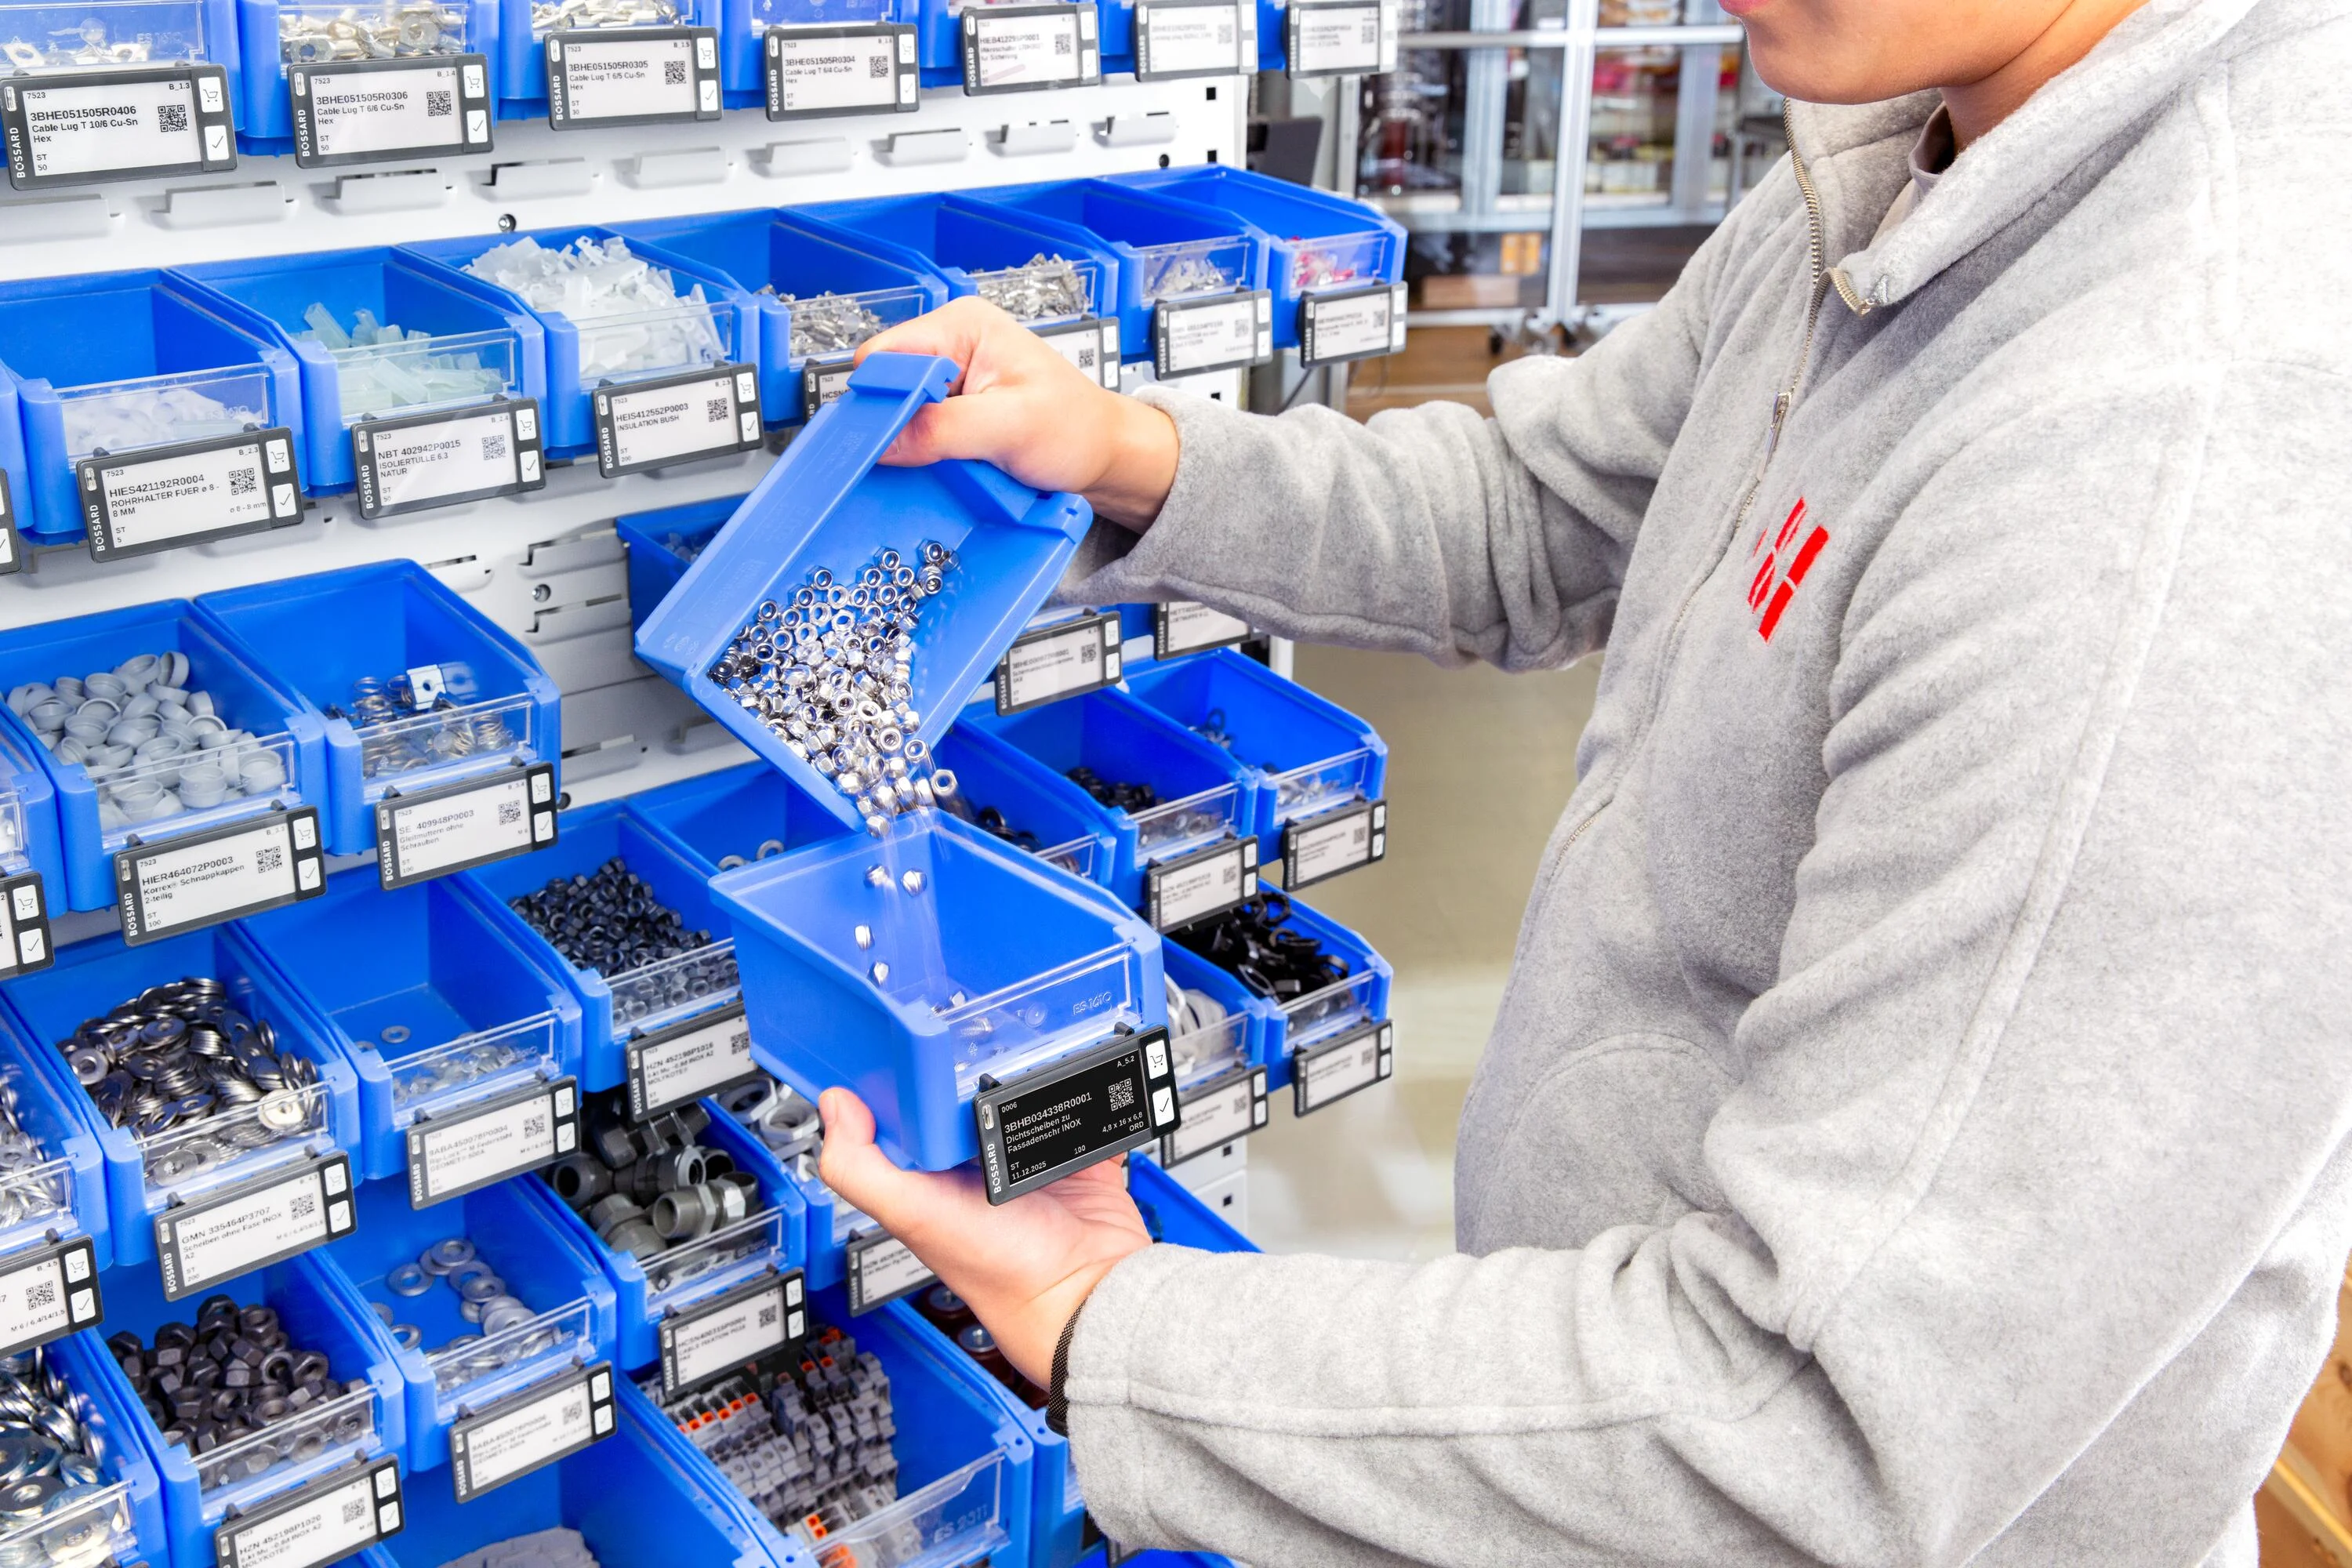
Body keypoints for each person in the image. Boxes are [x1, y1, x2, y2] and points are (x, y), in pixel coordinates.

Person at [820, 0, 2352, 1559]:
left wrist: (1114, 1333)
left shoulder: (2179, 465)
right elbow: (1543, 502)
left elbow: (1812, 1425)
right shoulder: (1923, 142)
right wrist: (1129, 448)